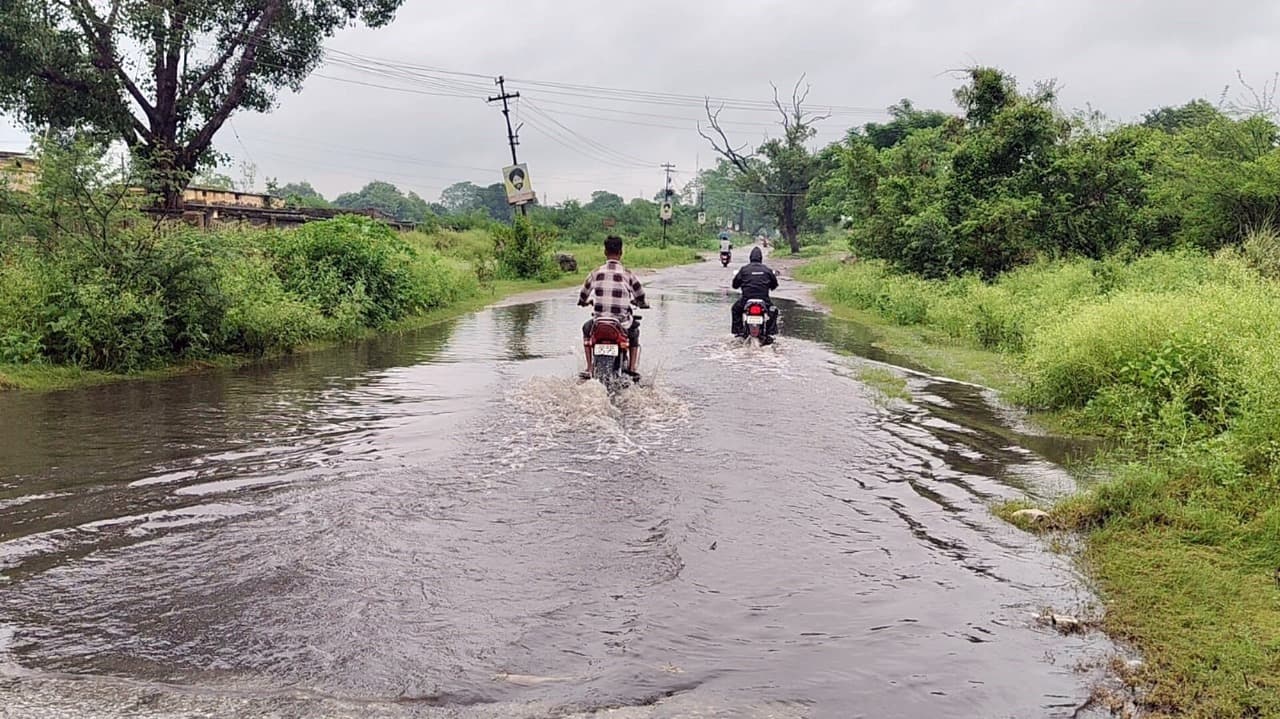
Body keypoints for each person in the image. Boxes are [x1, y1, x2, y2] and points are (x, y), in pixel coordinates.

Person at [578, 235, 649, 379]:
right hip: (621, 323)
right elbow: (640, 295)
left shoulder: (595, 273)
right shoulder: (628, 274)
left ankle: (589, 367)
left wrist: (584, 302)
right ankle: (632, 368)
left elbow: (583, 295)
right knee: (634, 332)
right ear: (621, 252)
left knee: (586, 328)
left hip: (599, 323)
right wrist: (641, 304)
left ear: (605, 252)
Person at [731, 246, 779, 339]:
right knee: (774, 311)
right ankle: (770, 332)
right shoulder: (767, 270)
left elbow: (735, 285)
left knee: (735, 309)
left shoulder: (744, 269)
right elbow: (774, 285)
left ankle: (738, 331)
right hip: (764, 300)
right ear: (761, 258)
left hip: (746, 300)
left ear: (750, 258)